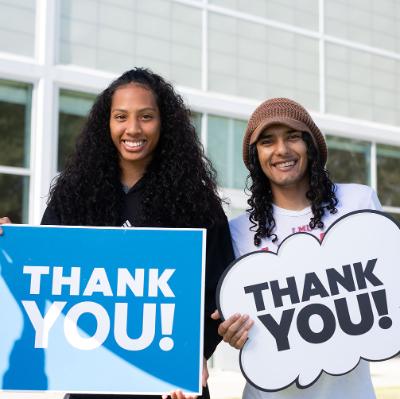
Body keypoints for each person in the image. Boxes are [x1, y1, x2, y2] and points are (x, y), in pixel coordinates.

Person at [0, 68, 234, 399]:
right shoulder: (74, 194)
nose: (133, 129)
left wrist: (196, 353)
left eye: (146, 117)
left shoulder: (196, 202)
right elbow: (45, 277)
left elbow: (220, 291)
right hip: (93, 380)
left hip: (170, 385)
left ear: (163, 122)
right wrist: (12, 253)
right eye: (121, 116)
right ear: (106, 123)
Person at [211, 97, 380, 399]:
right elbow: (235, 318)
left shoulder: (359, 203)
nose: (282, 150)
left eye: (293, 136)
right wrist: (233, 333)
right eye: (267, 141)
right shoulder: (237, 231)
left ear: (312, 146)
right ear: (255, 155)